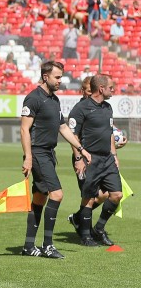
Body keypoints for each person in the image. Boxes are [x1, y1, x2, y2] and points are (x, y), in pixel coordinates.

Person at [20, 61, 90, 259]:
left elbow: (63, 128)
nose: (61, 81)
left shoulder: (54, 100)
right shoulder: (33, 99)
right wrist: (28, 156)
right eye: (57, 77)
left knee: (40, 197)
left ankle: (28, 246)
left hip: (49, 154)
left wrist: (81, 148)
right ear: (45, 77)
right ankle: (48, 245)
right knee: (57, 194)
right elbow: (24, 129)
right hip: (38, 153)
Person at [67, 74, 123, 247]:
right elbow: (72, 136)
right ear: (101, 89)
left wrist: (114, 155)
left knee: (116, 195)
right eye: (111, 87)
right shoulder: (80, 108)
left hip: (107, 158)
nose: (113, 90)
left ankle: (98, 229)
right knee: (89, 198)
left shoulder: (108, 108)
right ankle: (85, 236)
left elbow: (109, 134)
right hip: (88, 158)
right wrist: (78, 158)